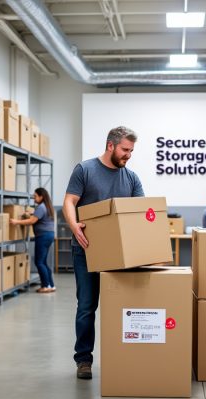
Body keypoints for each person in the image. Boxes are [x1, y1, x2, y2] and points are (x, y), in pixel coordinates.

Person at [62, 126, 144, 380]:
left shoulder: (131, 178)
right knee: (87, 306)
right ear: (111, 146)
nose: (128, 155)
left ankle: (122, 355)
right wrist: (74, 225)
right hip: (85, 249)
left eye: (131, 151)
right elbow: (69, 201)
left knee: (123, 306)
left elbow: (140, 212)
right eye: (125, 150)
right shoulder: (84, 169)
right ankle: (84, 360)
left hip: (120, 254)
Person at [10, 188, 56, 293]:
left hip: (43, 236)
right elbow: (36, 218)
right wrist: (30, 215)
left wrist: (16, 221)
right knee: (43, 262)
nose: (34, 198)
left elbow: (32, 221)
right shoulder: (47, 206)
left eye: (35, 196)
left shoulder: (41, 207)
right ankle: (51, 285)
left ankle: (46, 286)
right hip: (49, 235)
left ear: (41, 196)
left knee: (39, 262)